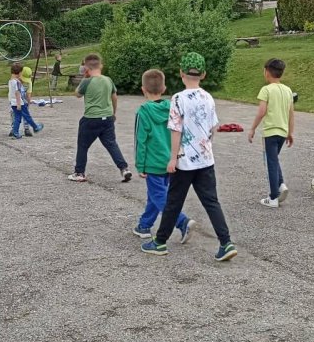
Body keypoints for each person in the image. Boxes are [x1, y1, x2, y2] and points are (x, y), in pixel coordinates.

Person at [141, 53, 237, 262]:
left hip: (185, 161)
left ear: (181, 73)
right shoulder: (208, 97)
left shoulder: (178, 99)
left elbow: (176, 130)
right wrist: (206, 147)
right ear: (203, 74)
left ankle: (160, 241)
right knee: (211, 201)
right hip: (205, 159)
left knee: (173, 202)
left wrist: (172, 158)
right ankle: (226, 242)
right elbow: (213, 128)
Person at [133, 68, 193, 243]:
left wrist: (140, 165)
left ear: (143, 89)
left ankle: (182, 221)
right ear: (164, 88)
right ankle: (144, 225)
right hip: (171, 161)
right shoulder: (172, 108)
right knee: (156, 194)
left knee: (159, 196)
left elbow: (140, 141)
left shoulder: (143, 112)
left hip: (153, 163)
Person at [69, 53, 131, 183]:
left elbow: (77, 94)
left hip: (91, 118)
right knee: (111, 144)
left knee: (83, 146)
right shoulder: (108, 80)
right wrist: (113, 113)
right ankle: (124, 168)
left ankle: (79, 172)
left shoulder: (87, 81)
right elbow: (114, 97)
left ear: (86, 68)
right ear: (101, 66)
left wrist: (84, 78)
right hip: (107, 117)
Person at [248, 58, 295, 208]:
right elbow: (291, 113)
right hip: (283, 132)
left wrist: (252, 128)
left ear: (266, 72)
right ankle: (281, 185)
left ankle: (273, 197)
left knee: (270, 162)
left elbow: (262, 111)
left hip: (270, 132)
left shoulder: (266, 90)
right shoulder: (288, 90)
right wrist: (290, 132)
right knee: (274, 159)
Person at [7, 62, 28, 139]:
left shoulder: (11, 81)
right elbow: (17, 93)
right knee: (18, 118)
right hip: (17, 103)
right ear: (19, 72)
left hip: (12, 102)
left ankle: (15, 131)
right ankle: (15, 132)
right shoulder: (16, 82)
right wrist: (19, 104)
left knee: (16, 117)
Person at [20, 65, 42, 136]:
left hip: (14, 101)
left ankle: (13, 129)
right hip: (24, 102)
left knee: (14, 115)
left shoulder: (16, 81)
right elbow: (28, 95)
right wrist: (28, 102)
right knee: (26, 115)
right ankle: (27, 129)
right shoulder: (29, 83)